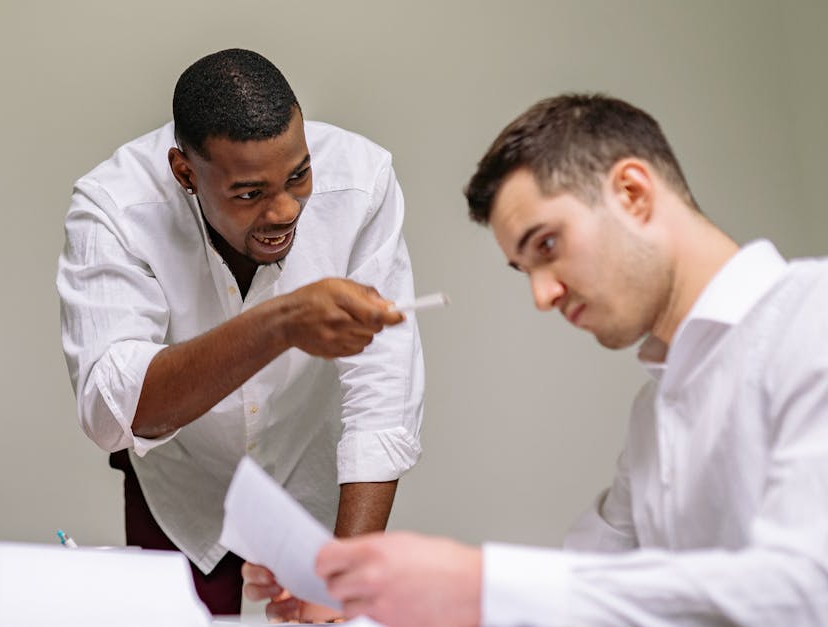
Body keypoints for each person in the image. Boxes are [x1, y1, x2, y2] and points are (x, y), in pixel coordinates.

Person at [303, 93, 828, 626]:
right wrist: (361, 588)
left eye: (548, 244)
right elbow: (583, 589)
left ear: (632, 193)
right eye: (523, 269)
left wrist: (476, 583)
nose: (542, 295)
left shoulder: (815, 318)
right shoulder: (655, 414)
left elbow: (805, 591)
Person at [57, 48, 425, 617]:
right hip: (182, 489)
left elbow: (383, 392)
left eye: (298, 176)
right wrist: (280, 323)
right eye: (250, 193)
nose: (283, 211)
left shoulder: (361, 181)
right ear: (185, 172)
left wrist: (345, 579)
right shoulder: (115, 207)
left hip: (314, 467)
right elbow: (111, 414)